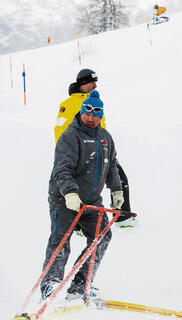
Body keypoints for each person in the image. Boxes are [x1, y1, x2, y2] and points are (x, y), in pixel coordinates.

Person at [41, 90, 123, 300]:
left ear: (101, 116)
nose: (91, 117)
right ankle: (50, 285)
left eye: (96, 114)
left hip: (92, 201)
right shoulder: (70, 136)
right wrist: (70, 192)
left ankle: (80, 284)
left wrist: (116, 189)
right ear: (82, 111)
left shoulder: (105, 137)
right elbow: (62, 168)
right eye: (88, 112)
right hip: (64, 199)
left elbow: (112, 165)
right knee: (60, 241)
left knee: (102, 237)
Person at [55, 68, 137, 228]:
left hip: (102, 151)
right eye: (92, 82)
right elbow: (59, 130)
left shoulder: (95, 102)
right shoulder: (69, 104)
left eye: (96, 82)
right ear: (83, 83)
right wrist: (67, 153)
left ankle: (122, 216)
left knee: (119, 179)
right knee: (81, 188)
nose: (95, 85)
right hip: (80, 152)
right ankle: (79, 225)